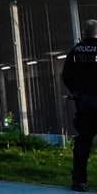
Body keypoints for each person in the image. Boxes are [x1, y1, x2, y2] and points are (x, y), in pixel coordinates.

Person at [63, 19, 97, 191]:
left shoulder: (75, 51)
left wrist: (76, 91)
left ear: (85, 32)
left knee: (83, 142)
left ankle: (79, 181)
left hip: (84, 103)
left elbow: (66, 75)